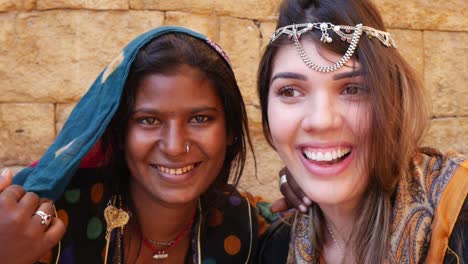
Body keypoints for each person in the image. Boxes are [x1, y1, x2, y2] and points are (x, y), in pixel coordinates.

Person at [2, 26, 280, 263]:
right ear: (120, 132)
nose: (174, 146)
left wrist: (319, 202)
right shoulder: (45, 227)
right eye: (149, 120)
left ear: (230, 129)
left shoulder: (247, 227)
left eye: (200, 118)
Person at [256, 0, 467, 263]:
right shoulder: (275, 247)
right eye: (290, 91)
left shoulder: (459, 218)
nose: (321, 121)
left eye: (352, 90)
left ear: (393, 99)